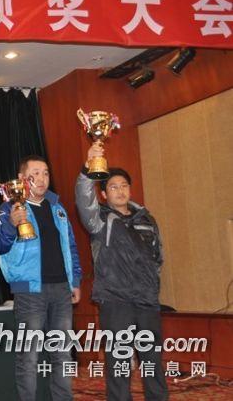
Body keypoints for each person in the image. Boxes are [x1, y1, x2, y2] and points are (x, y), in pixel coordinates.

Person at [75, 143, 168, 401]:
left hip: (147, 300)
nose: (120, 191)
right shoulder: (99, 220)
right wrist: (87, 169)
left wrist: (151, 284)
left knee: (152, 361)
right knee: (119, 363)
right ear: (104, 194)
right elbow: (83, 199)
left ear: (130, 189)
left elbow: (158, 256)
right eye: (113, 187)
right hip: (116, 301)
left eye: (124, 186)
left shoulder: (147, 219)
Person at [0, 155, 82, 401]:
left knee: (62, 353)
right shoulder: (9, 208)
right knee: (29, 356)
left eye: (45, 173)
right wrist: (11, 225)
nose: (42, 179)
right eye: (35, 174)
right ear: (22, 179)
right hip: (29, 290)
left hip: (61, 289)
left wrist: (75, 280)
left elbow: (71, 246)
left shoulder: (57, 208)